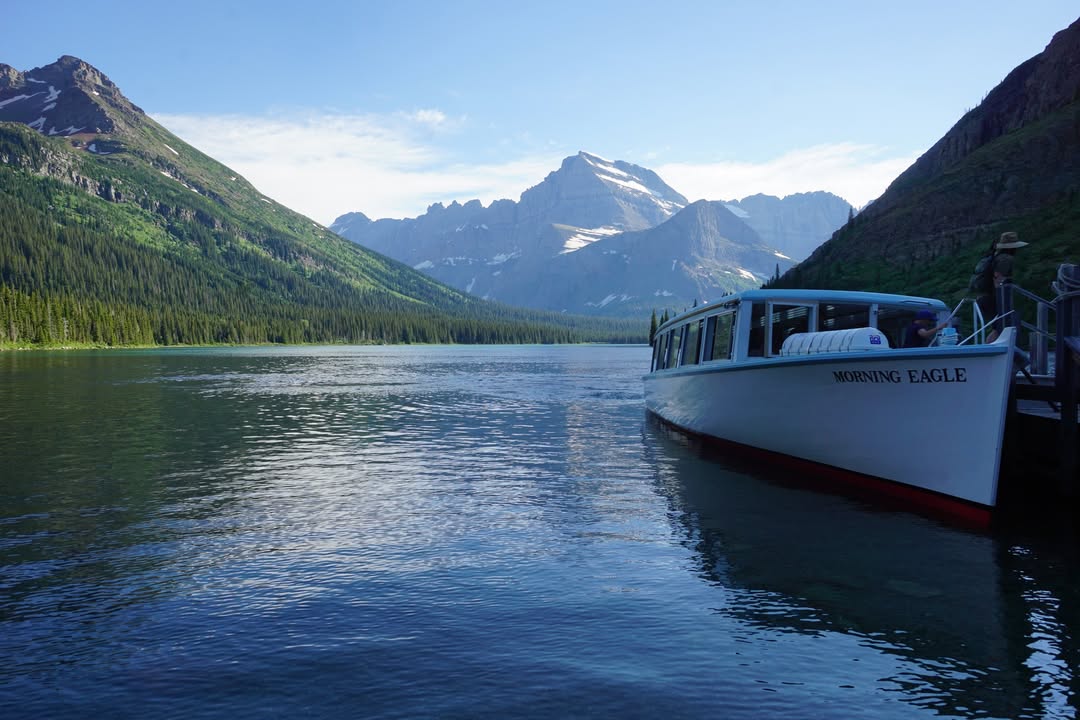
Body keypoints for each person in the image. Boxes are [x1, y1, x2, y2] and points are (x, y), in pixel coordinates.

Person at [975, 231, 1028, 342]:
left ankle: (989, 351)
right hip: (992, 298)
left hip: (983, 297)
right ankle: (989, 353)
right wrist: (1001, 297)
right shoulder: (1006, 259)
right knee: (1000, 329)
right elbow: (998, 277)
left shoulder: (996, 257)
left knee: (998, 329)